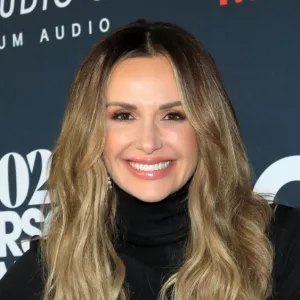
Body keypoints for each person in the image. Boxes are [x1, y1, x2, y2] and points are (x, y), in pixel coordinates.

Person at [0, 19, 300, 300]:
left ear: (207, 127)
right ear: (91, 131)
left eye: (173, 115)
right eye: (123, 116)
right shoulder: (48, 271)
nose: (148, 142)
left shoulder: (285, 244)